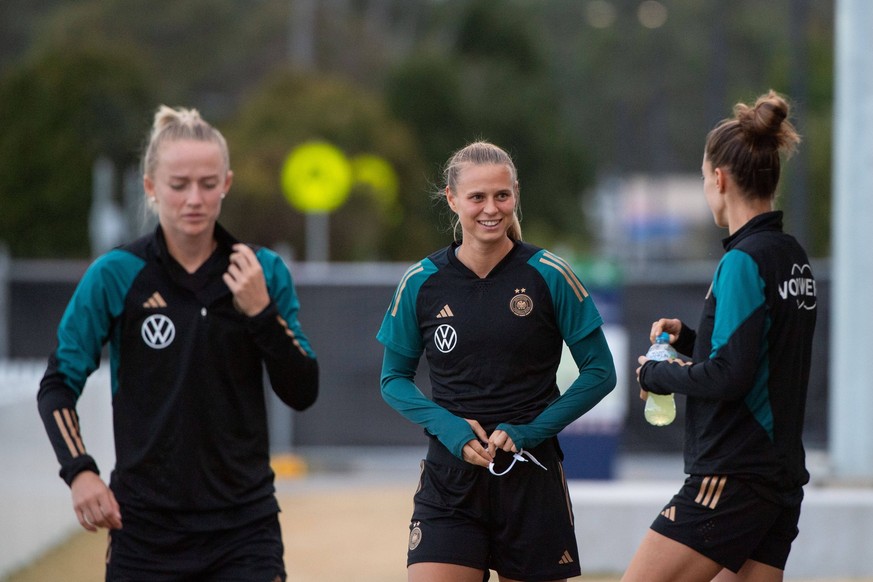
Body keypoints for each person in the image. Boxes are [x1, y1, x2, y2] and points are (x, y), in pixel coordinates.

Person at [37, 105, 318, 581]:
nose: (195, 198)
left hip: (245, 531)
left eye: (208, 184)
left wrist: (262, 313)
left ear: (226, 184)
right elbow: (58, 384)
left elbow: (302, 390)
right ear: (151, 187)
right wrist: (80, 471)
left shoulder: (262, 272)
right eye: (178, 184)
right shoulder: (116, 274)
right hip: (144, 532)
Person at [376, 140, 617, 582]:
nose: (491, 208)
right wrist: (446, 427)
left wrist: (529, 431)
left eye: (502, 195)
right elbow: (393, 379)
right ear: (452, 200)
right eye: (477, 197)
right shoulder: (421, 282)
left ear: (516, 194)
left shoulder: (549, 274)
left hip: (533, 479)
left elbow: (601, 373)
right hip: (450, 482)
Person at [622, 90, 816, 582]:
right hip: (779, 480)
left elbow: (730, 375)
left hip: (732, 477)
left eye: (703, 176)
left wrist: (657, 373)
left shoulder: (742, 261)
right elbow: (757, 353)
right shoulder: (791, 255)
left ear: (720, 179)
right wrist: (688, 339)